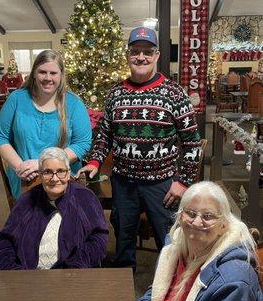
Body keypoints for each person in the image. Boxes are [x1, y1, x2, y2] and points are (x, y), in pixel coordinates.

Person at [76, 27, 201, 270]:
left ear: (156, 55)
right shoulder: (115, 94)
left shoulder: (174, 93)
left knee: (169, 238)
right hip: (123, 183)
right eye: (135, 51)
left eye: (147, 52)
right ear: (128, 55)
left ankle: (170, 283)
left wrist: (183, 181)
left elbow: (192, 143)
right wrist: (94, 162)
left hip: (162, 185)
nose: (141, 57)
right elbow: (104, 134)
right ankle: (123, 279)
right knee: (123, 234)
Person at [136, 181, 263, 301]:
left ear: (224, 224)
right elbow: (159, 289)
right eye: (190, 213)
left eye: (208, 216)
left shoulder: (234, 281)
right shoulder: (177, 244)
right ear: (180, 217)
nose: (196, 222)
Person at [0, 49, 92, 199]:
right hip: (26, 177)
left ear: (61, 75)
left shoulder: (74, 103)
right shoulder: (16, 99)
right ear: (34, 73)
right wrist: (20, 166)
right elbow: (0, 137)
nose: (47, 78)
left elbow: (82, 143)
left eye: (53, 73)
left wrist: (42, 164)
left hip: (62, 179)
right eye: (42, 72)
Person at [0, 147, 108, 270]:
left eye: (61, 171)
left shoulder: (85, 198)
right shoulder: (26, 200)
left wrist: (74, 269)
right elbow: (3, 243)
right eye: (48, 172)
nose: (55, 178)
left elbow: (98, 240)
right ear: (40, 175)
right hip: (27, 278)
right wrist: (15, 272)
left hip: (72, 277)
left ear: (68, 174)